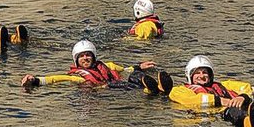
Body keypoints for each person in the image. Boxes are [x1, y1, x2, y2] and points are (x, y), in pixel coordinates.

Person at [166, 55, 254, 127]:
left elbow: (247, 87)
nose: (202, 76)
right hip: (219, 115)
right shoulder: (179, 90)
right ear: (190, 76)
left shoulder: (224, 85)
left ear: (210, 75)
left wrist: (242, 97)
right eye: (197, 73)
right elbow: (192, 100)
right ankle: (251, 125)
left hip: (240, 109)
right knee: (232, 112)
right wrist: (221, 100)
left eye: (205, 72)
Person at [20, 39, 164, 91]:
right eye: (81, 56)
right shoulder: (77, 77)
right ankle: (149, 89)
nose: (85, 58)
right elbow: (55, 79)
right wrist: (35, 80)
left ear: (94, 56)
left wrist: (139, 66)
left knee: (135, 76)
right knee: (126, 84)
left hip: (119, 85)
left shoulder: (108, 66)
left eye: (88, 55)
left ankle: (157, 86)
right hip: (108, 90)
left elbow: (126, 69)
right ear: (76, 61)